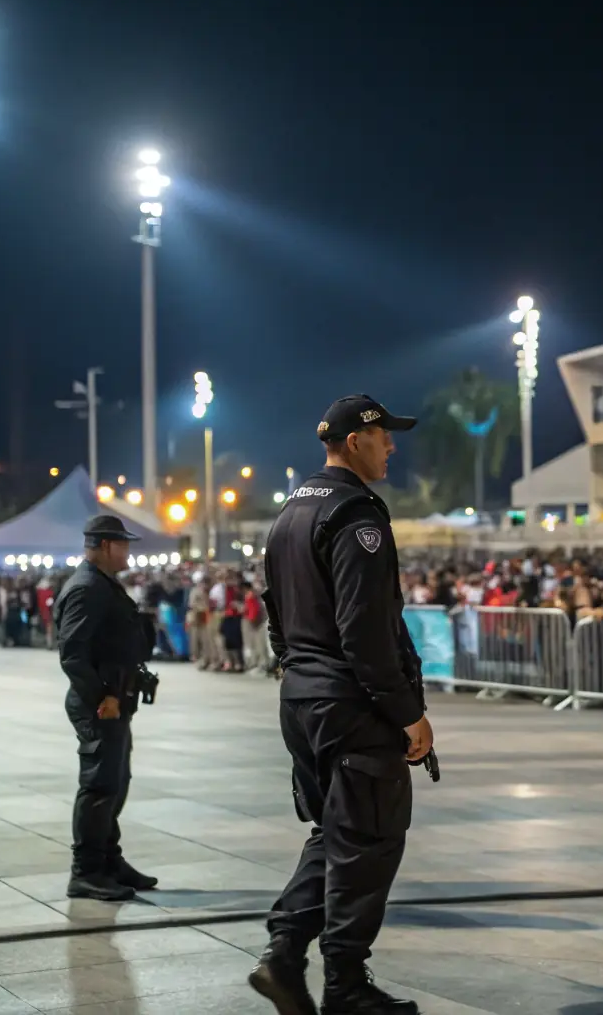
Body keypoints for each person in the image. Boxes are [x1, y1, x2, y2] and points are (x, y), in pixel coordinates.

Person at [250, 395, 434, 1015]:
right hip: (349, 703)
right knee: (371, 838)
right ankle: (345, 986)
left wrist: (300, 673)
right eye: (384, 435)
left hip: (304, 696)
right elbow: (365, 631)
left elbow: (276, 616)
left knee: (337, 832)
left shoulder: (290, 511)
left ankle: (283, 955)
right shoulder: (355, 513)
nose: (392, 446)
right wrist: (407, 712)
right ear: (356, 440)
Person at [54, 515, 161, 902]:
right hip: (99, 705)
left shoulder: (102, 583)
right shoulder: (86, 588)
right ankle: (85, 872)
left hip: (115, 700)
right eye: (122, 545)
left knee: (115, 782)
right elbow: (73, 653)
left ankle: (108, 861)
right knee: (99, 786)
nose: (127, 552)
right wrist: (103, 697)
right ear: (103, 546)